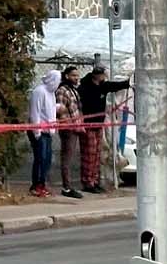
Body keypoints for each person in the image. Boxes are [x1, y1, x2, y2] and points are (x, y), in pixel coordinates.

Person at [77, 65, 131, 194]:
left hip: (98, 124)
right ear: (97, 75)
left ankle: (95, 180)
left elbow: (115, 86)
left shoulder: (102, 86)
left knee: (97, 155)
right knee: (89, 155)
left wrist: (129, 83)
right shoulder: (84, 87)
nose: (104, 77)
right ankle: (87, 181)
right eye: (102, 75)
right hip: (89, 124)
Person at [26, 69, 60, 197]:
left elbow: (49, 110)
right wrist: (37, 132)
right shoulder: (39, 92)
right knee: (40, 158)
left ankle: (42, 183)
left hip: (47, 131)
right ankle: (36, 185)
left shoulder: (51, 93)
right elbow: (35, 112)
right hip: (39, 131)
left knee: (47, 159)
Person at [55, 67, 84, 199]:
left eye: (77, 76)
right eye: (73, 75)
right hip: (67, 128)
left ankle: (68, 185)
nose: (76, 78)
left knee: (69, 157)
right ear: (66, 76)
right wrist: (68, 123)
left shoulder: (73, 90)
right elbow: (59, 110)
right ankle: (66, 187)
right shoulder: (62, 91)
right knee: (66, 158)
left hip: (75, 127)